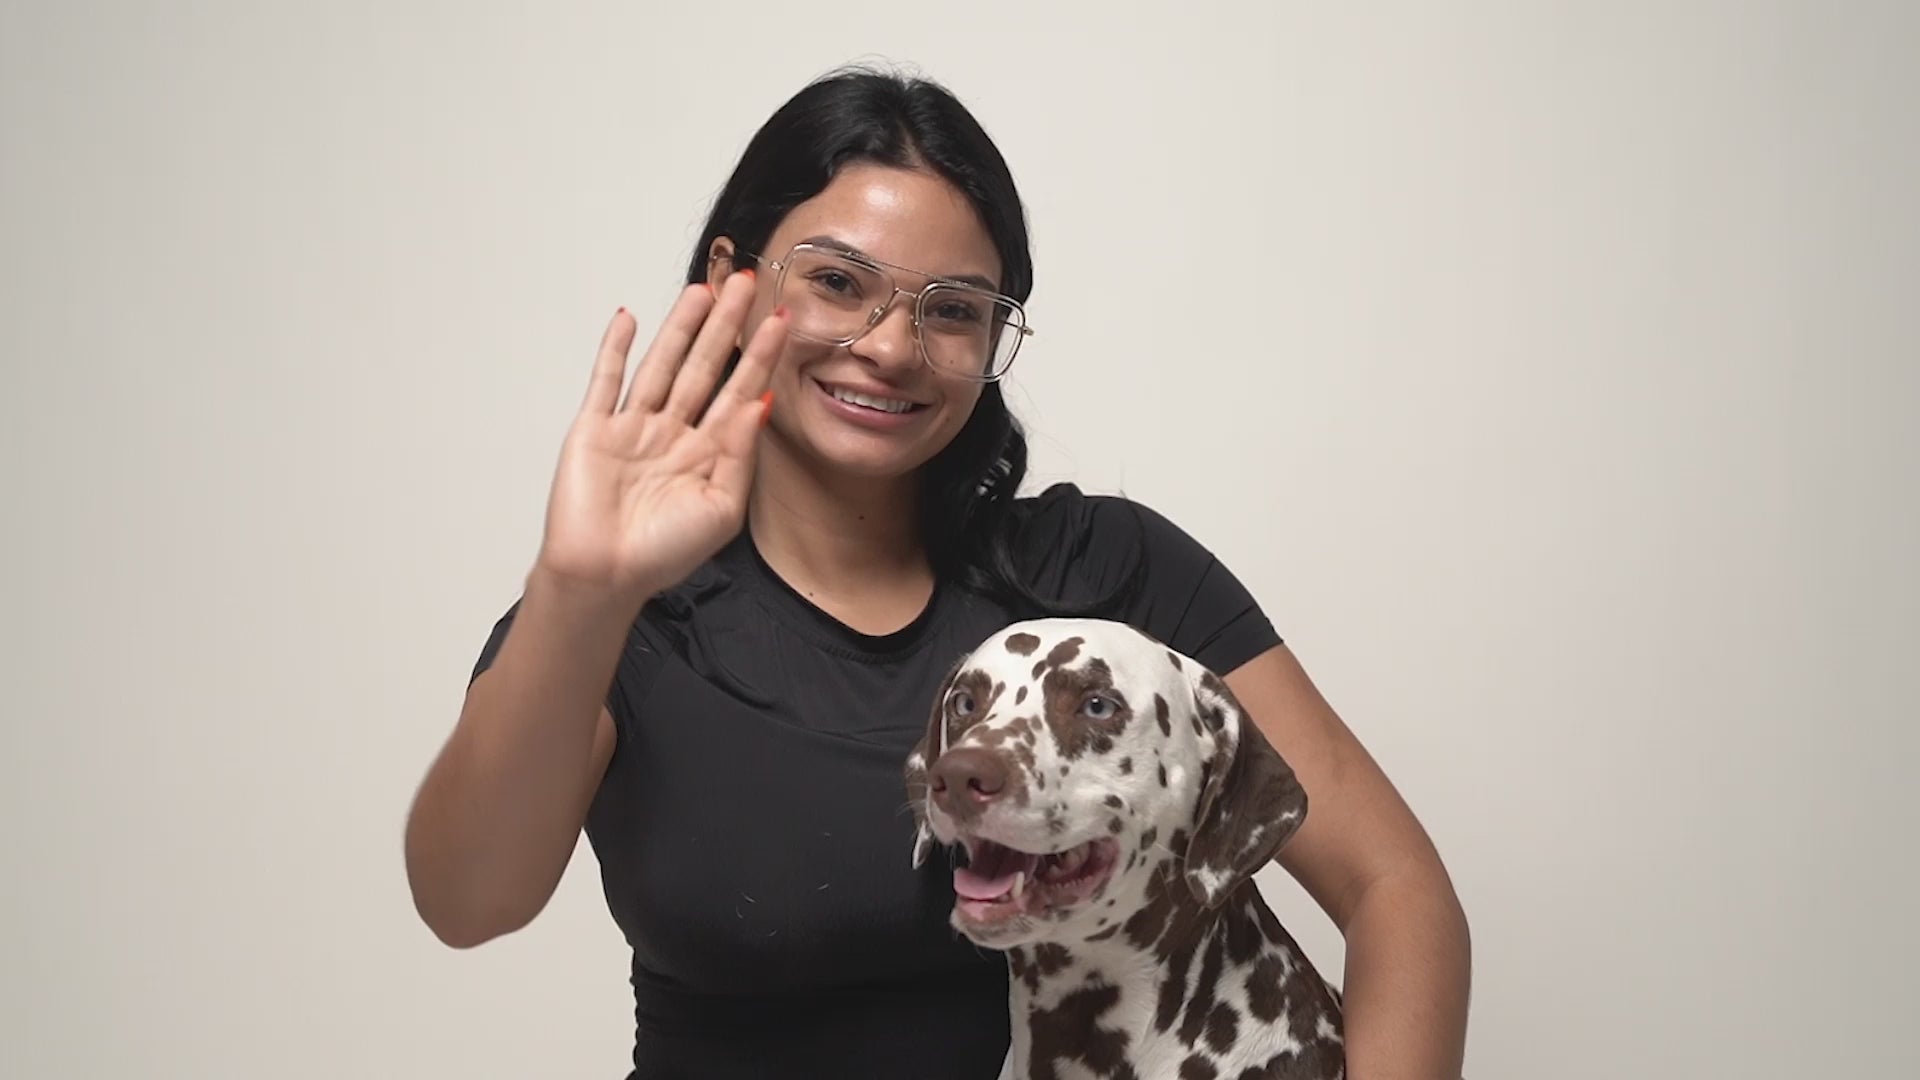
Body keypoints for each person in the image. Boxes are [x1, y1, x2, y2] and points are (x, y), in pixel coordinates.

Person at [403, 65, 1471, 1080]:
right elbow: (467, 899)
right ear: (730, 281)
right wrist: (582, 590)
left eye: (953, 308)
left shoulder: (1108, 582)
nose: (893, 347)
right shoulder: (622, 622)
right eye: (837, 281)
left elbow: (1397, 890)